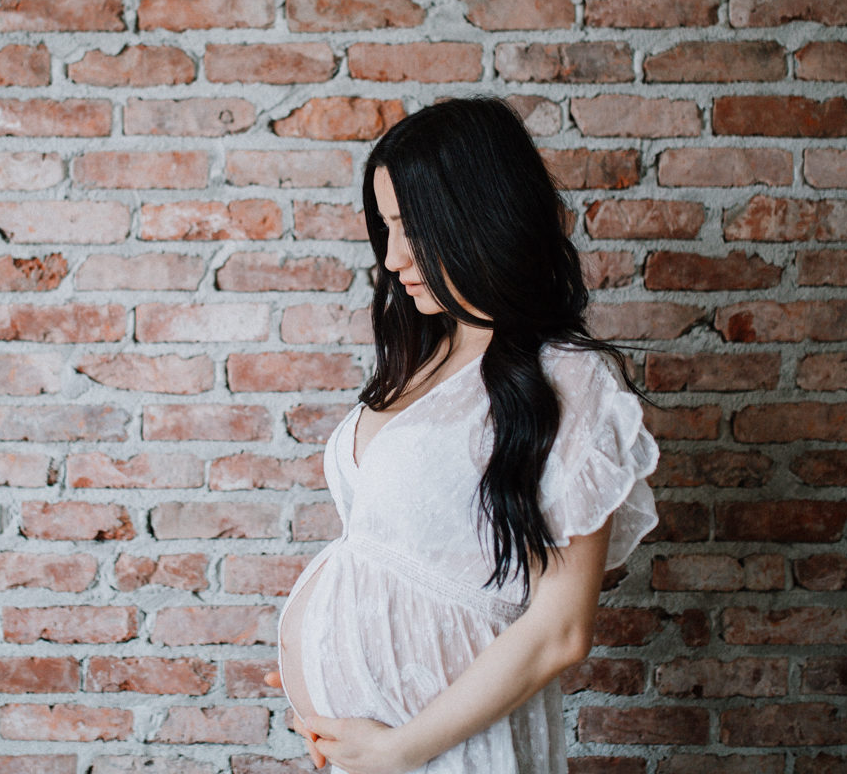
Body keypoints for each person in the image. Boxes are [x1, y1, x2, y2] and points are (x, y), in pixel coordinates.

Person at [274, 98, 660, 774]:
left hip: (446, 749)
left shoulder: (568, 381)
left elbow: (560, 631)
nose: (391, 256)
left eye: (408, 226)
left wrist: (398, 748)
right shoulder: (425, 355)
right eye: (384, 227)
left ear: (475, 215)